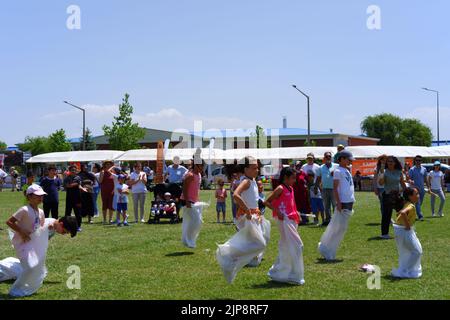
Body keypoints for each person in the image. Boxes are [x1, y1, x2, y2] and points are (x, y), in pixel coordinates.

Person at [3, 185, 78, 297]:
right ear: (29, 196)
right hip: (22, 242)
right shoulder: (24, 210)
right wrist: (22, 232)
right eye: (38, 196)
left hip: (31, 243)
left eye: (42, 196)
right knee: (31, 267)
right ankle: (17, 289)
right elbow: (9, 222)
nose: (41, 198)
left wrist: (49, 228)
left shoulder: (41, 212)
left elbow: (40, 228)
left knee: (37, 268)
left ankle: (22, 282)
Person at [216, 157, 270, 283]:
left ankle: (238, 257)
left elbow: (254, 198)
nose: (257, 170)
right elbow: (236, 195)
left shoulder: (253, 180)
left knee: (258, 240)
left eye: (257, 167)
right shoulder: (246, 181)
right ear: (246, 169)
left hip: (254, 215)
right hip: (248, 217)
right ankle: (229, 253)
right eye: (254, 168)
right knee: (259, 243)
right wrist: (247, 211)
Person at [264, 167, 304, 285]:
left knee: (286, 246)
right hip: (284, 221)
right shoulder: (280, 188)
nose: (294, 181)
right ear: (285, 178)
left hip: (291, 220)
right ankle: (292, 274)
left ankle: (281, 273)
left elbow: (292, 204)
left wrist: (297, 213)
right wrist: (278, 211)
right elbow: (267, 202)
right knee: (297, 245)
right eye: (292, 178)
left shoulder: (290, 188)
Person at [318, 150, 355, 261]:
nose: (350, 161)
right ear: (341, 159)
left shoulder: (346, 170)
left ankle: (328, 249)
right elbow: (335, 188)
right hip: (343, 202)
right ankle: (327, 249)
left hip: (348, 201)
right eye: (348, 159)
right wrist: (338, 203)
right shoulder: (338, 171)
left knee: (341, 228)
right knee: (337, 228)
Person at [391, 187, 423, 279]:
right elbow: (403, 213)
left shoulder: (407, 203)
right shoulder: (411, 205)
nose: (418, 195)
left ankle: (406, 269)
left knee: (412, 251)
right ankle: (406, 271)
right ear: (410, 196)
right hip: (404, 230)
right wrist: (408, 226)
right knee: (417, 251)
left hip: (400, 230)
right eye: (416, 194)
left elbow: (400, 213)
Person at [378, 156, 407, 239]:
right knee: (386, 215)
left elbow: (402, 183)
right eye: (389, 161)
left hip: (397, 195)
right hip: (387, 195)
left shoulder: (399, 172)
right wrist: (382, 173)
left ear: (395, 163)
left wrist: (407, 192)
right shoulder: (385, 171)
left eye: (392, 161)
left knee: (402, 213)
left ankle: (405, 230)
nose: (390, 163)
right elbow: (381, 183)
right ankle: (384, 234)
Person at [180, 155, 204, 248]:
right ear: (196, 165)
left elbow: (196, 189)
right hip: (187, 200)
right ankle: (188, 240)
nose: (201, 169)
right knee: (196, 221)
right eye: (200, 166)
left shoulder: (198, 175)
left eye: (202, 167)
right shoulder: (190, 175)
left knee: (195, 221)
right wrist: (187, 201)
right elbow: (184, 189)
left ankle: (188, 239)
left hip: (193, 201)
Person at [316, 152, 337, 225]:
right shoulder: (320, 167)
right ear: (324, 158)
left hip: (334, 189)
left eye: (329, 156)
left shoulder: (336, 166)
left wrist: (336, 173)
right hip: (324, 189)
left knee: (335, 205)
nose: (328, 158)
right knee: (326, 206)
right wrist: (316, 187)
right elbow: (318, 178)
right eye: (326, 156)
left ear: (331, 158)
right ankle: (328, 220)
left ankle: (335, 220)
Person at [407, 155, 430, 220]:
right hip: (414, 189)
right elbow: (408, 179)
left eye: (419, 160)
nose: (418, 161)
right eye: (417, 160)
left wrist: (429, 187)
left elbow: (426, 179)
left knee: (419, 203)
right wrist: (410, 181)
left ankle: (412, 213)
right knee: (418, 202)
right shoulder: (412, 169)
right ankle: (420, 216)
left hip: (422, 189)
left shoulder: (424, 169)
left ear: (421, 161)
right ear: (415, 161)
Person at [64, 165, 83, 232]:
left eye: (75, 170)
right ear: (69, 171)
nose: (73, 171)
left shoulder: (78, 177)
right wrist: (73, 184)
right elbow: (67, 186)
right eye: (72, 170)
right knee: (67, 213)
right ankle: (67, 226)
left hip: (77, 198)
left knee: (78, 213)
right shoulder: (66, 178)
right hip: (69, 197)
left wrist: (71, 185)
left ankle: (78, 226)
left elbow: (73, 184)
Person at [99, 160, 116, 225]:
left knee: (111, 205)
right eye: (107, 164)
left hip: (112, 191)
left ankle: (110, 219)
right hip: (104, 191)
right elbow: (100, 181)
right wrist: (102, 174)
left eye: (110, 164)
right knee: (104, 205)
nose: (108, 165)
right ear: (105, 165)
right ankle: (104, 219)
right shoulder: (102, 172)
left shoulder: (113, 172)